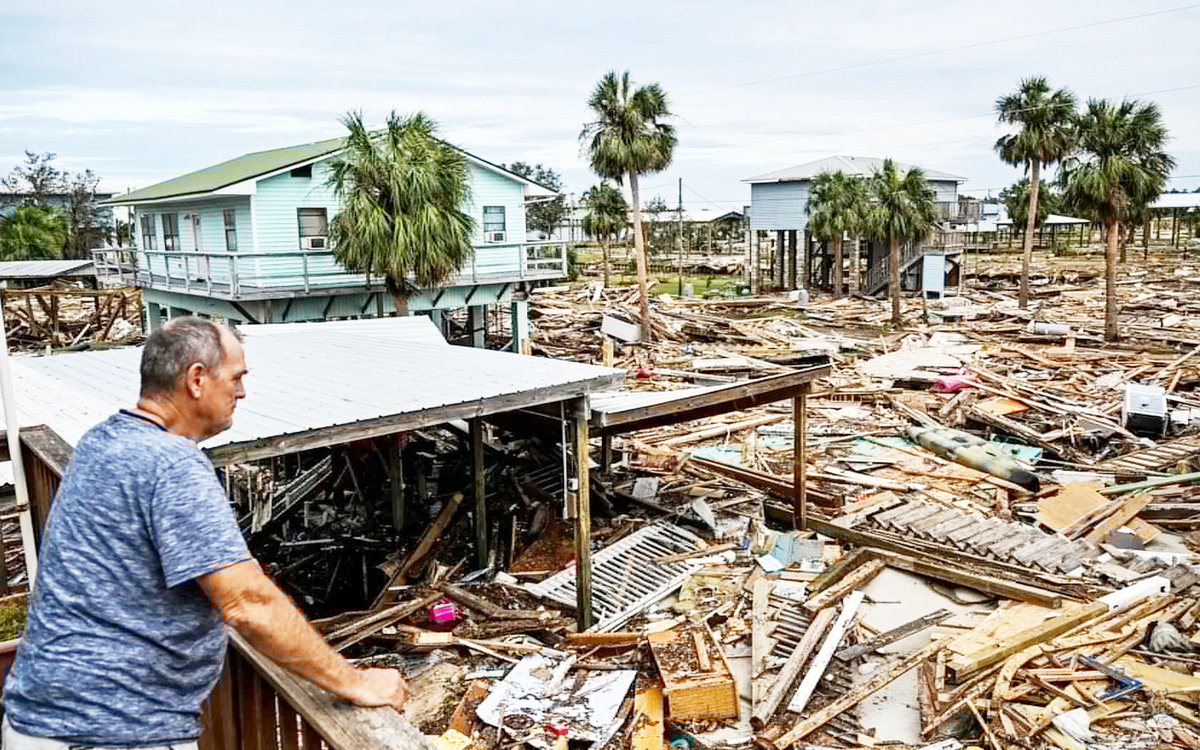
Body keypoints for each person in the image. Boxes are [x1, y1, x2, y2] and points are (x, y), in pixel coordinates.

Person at [3, 317, 405, 748]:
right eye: (236, 377)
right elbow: (247, 601)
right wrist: (355, 681)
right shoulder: (172, 464)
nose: (242, 392)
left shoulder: (101, 441)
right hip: (112, 732)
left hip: (40, 719)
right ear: (196, 379)